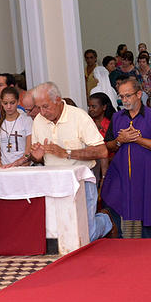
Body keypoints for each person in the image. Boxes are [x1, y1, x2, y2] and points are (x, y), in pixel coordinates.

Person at [28, 81, 113, 241]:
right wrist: (36, 156)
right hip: (53, 182)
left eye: (45, 106)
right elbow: (36, 156)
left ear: (57, 100)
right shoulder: (39, 120)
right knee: (61, 232)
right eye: (38, 107)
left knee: (87, 234)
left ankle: (105, 220)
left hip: (81, 181)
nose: (42, 112)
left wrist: (67, 153)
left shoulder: (79, 116)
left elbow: (102, 151)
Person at [103, 75, 151, 238]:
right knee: (110, 198)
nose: (124, 100)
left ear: (138, 94)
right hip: (123, 175)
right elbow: (108, 145)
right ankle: (118, 238)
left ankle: (149, 247)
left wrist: (137, 139)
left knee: (148, 211)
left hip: (147, 175)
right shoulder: (117, 117)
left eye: (128, 95)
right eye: (121, 96)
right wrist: (120, 140)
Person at [0, 85, 32, 167]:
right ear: (1, 102)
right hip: (4, 169)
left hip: (23, 167)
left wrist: (19, 164)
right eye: (5, 103)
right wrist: (1, 169)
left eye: (12, 103)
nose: (9, 107)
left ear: (18, 101)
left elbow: (28, 151)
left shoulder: (27, 121)